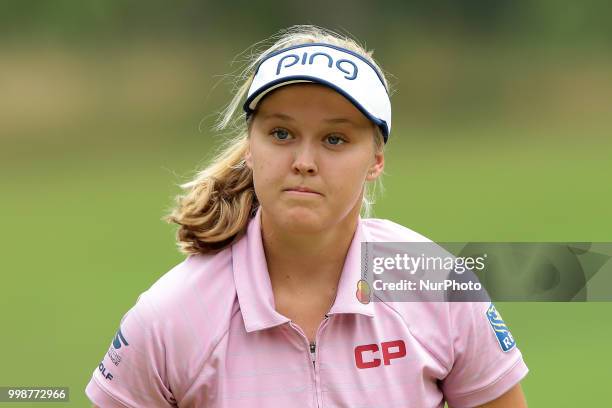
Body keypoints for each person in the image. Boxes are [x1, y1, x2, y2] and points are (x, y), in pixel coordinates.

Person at [85, 25, 528, 407]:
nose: (304, 160)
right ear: (251, 148)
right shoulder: (172, 316)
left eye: (335, 139)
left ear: (376, 160)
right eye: (281, 133)